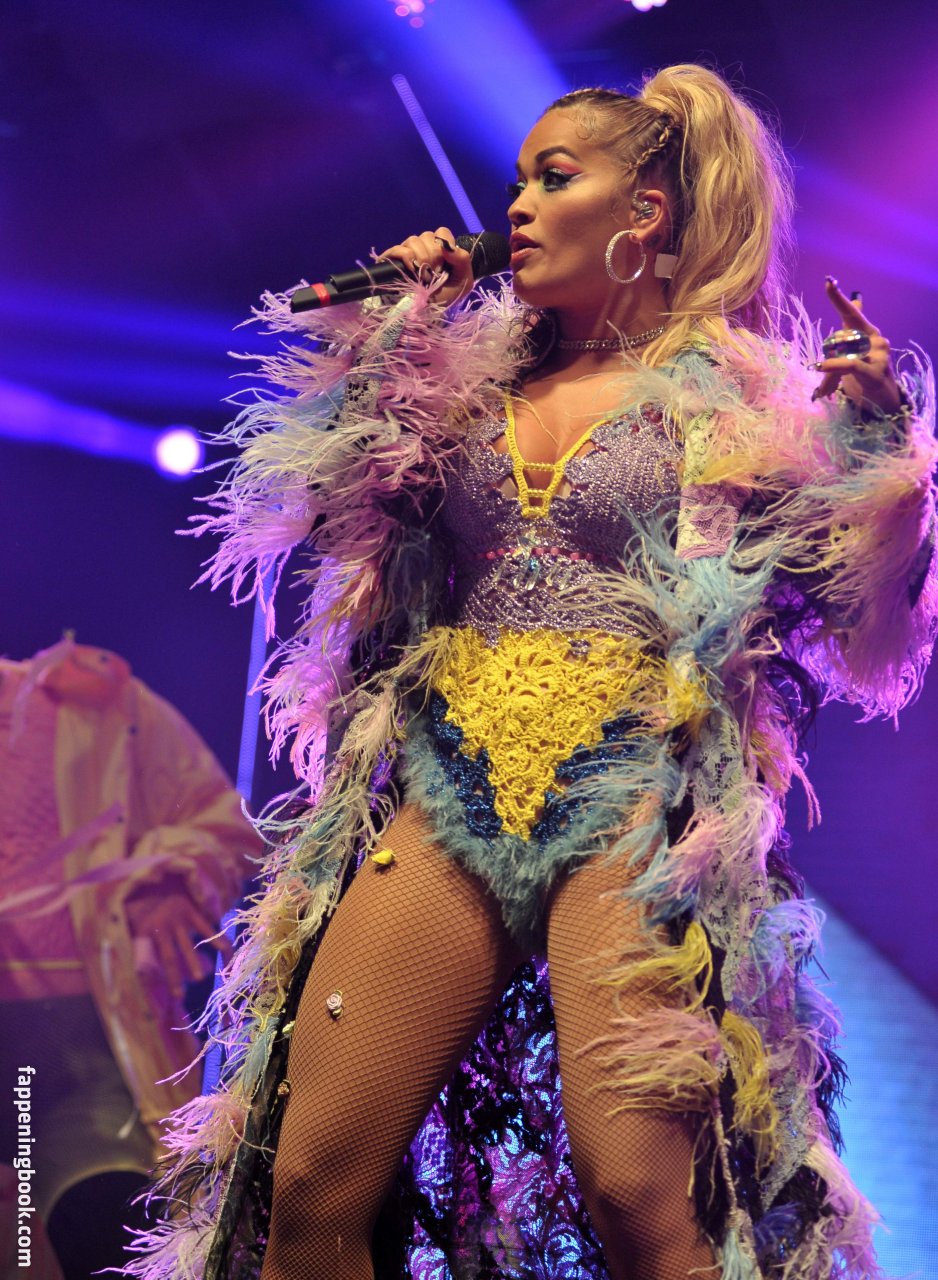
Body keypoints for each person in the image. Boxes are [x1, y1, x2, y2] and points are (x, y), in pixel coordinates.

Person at [124, 65, 936, 1280]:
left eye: (554, 178)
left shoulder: (734, 402)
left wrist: (876, 443)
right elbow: (338, 517)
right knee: (307, 1183)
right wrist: (394, 338)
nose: (517, 205)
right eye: (516, 181)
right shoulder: (469, 384)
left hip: (627, 803)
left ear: (642, 215)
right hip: (449, 786)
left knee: (634, 1195)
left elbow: (855, 606)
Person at [0, 636, 259, 1278]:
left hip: (89, 1048)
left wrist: (173, 877)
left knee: (105, 1228)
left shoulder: (97, 703)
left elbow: (226, 828)